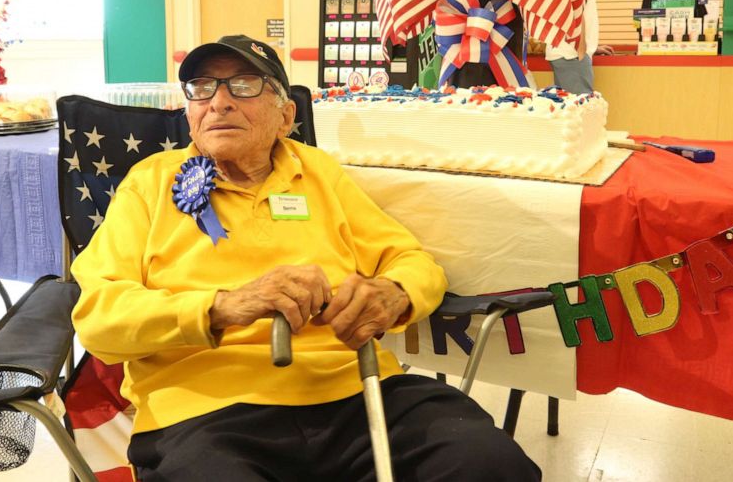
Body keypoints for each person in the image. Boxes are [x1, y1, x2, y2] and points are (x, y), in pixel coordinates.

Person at [71, 34, 542, 481]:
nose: (219, 101)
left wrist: (393, 294)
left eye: (243, 84)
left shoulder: (318, 173)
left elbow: (412, 261)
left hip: (354, 389)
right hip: (205, 411)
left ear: (285, 114)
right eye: (202, 87)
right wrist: (222, 307)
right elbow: (98, 319)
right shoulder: (149, 182)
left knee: (488, 464)